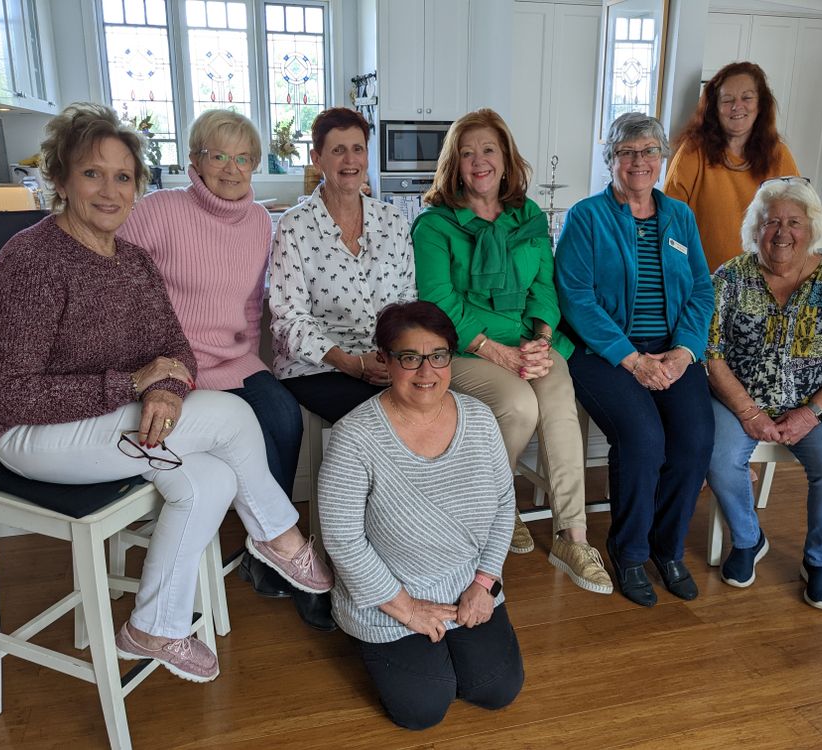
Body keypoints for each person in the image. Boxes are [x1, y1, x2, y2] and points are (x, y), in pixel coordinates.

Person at [0, 103, 332, 683]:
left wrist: (161, 388)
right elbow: (7, 395)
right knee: (234, 419)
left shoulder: (130, 260)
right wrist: (131, 384)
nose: (109, 191)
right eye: (92, 173)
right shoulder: (31, 260)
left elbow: (173, 350)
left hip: (101, 418)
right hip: (29, 436)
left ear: (137, 185)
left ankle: (152, 626)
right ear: (60, 178)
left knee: (214, 477)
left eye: (122, 176)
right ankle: (281, 538)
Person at [116, 110, 329, 631]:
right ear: (195, 160)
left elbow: (252, 306)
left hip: (236, 360)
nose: (231, 169)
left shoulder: (259, 219)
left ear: (255, 164)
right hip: (176, 367)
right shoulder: (159, 210)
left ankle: (267, 550)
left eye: (243, 158)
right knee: (245, 431)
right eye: (218, 156)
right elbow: (107, 268)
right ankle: (282, 547)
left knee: (283, 418)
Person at [411, 108, 612, 596]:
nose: (479, 161)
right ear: (454, 165)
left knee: (559, 404)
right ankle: (499, 510)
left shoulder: (528, 217)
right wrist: (496, 352)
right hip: (463, 348)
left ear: (505, 159)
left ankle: (573, 536)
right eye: (467, 153)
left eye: (488, 150)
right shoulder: (434, 225)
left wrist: (540, 340)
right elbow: (439, 301)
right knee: (520, 404)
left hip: (527, 343)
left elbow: (546, 285)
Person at [319, 301, 524, 730]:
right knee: (423, 709)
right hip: (388, 593)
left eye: (438, 356)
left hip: (466, 583)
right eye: (409, 358)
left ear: (452, 358)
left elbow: (505, 503)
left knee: (495, 688)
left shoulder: (481, 420)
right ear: (385, 360)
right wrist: (406, 608)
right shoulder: (354, 436)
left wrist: (484, 582)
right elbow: (341, 538)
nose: (426, 372)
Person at [555, 113, 714, 607]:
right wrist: (632, 360)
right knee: (644, 439)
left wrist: (685, 352)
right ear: (611, 162)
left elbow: (702, 292)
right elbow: (576, 298)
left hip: (672, 351)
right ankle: (628, 551)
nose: (639, 161)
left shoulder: (680, 217)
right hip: (604, 354)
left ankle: (666, 551)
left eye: (648, 151)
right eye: (627, 153)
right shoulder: (587, 217)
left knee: (694, 439)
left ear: (662, 158)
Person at [706, 177, 822, 611]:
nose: (782, 232)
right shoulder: (731, 277)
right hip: (739, 399)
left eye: (794, 222)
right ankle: (747, 539)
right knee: (718, 457)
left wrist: (810, 415)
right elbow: (710, 352)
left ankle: (820, 562)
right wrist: (747, 411)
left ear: (810, 227)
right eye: (771, 221)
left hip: (818, 404)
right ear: (755, 228)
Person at [270, 107, 416, 424]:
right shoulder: (293, 226)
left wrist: (395, 359)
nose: (350, 161)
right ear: (317, 158)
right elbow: (289, 320)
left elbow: (407, 301)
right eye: (338, 151)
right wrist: (351, 363)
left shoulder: (392, 221)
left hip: (386, 364)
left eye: (357, 149)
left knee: (439, 407)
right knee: (388, 419)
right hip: (317, 368)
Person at [665, 61, 799, 271]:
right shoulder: (692, 151)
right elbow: (668, 219)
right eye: (727, 100)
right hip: (703, 281)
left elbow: (798, 217)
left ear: (760, 104)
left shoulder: (779, 154)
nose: (737, 106)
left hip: (762, 281)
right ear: (714, 108)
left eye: (746, 98)